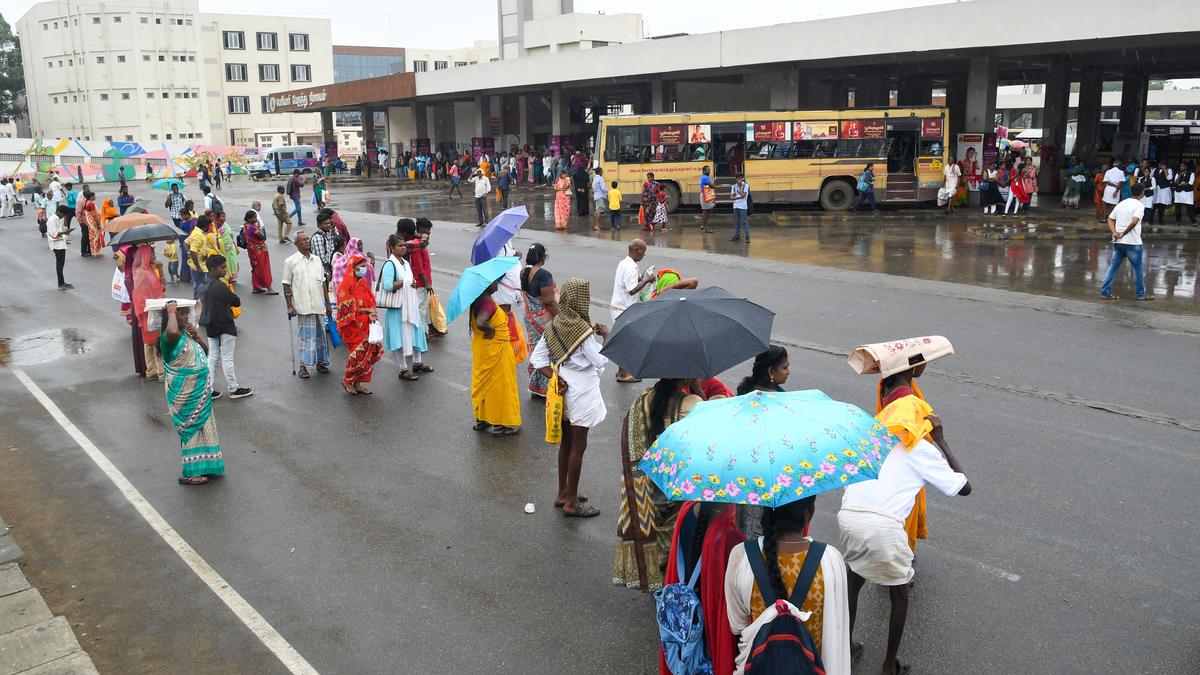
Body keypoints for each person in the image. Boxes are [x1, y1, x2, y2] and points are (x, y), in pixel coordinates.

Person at [841, 370, 971, 675]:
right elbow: (963, 487)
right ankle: (888, 666)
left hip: (849, 517)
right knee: (898, 592)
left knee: (854, 578)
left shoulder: (870, 440)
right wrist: (941, 440)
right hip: (883, 526)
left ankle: (844, 647)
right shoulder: (919, 447)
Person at [725, 498, 852, 675]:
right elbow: (838, 628)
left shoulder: (741, 556)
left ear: (766, 512)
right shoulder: (831, 560)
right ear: (808, 514)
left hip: (759, 666)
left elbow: (737, 624)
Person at [615, 377, 704, 587]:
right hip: (678, 492)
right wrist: (697, 388)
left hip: (649, 492)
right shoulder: (693, 404)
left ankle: (657, 578)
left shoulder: (643, 401)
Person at [531, 278, 608, 517]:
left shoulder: (554, 325)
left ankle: (563, 491)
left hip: (562, 387)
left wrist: (556, 376)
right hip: (582, 390)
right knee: (578, 446)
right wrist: (606, 336)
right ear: (581, 300)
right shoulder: (583, 332)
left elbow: (537, 359)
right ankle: (572, 503)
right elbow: (600, 361)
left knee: (566, 443)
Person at [160, 300, 224, 486]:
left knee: (205, 427)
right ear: (170, 317)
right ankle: (190, 473)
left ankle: (207, 465)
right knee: (192, 430)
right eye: (181, 313)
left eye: (185, 312)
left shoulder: (186, 333)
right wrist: (171, 309)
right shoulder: (168, 338)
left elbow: (205, 352)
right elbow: (172, 331)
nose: (186, 316)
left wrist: (198, 338)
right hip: (186, 393)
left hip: (200, 391)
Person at [469, 279, 522, 435]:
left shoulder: (478, 299)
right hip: (496, 349)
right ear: (486, 285)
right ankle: (502, 424)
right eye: (494, 282)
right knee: (501, 386)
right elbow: (480, 322)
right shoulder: (487, 303)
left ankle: (483, 419)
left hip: (483, 349)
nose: (497, 284)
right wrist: (489, 328)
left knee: (484, 384)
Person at [379, 233, 431, 381]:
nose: (403, 248)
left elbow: (410, 280)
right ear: (392, 247)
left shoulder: (405, 263)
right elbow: (388, 285)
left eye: (404, 246)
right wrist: (405, 283)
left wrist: (412, 283)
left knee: (416, 332)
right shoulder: (390, 264)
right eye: (400, 246)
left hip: (410, 305)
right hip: (398, 308)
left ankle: (417, 362)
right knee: (399, 339)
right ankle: (403, 369)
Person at [200, 255, 252, 400]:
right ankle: (233, 388)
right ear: (213, 269)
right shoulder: (219, 286)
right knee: (227, 357)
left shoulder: (204, 285)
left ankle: (208, 390)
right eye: (222, 267)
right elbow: (236, 301)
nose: (225, 270)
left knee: (212, 357)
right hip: (224, 324)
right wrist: (230, 289)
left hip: (210, 325)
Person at [282, 230, 332, 379]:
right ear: (296, 243)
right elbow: (286, 285)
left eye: (308, 239)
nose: (307, 241)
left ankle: (321, 363)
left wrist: (328, 303)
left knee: (321, 335)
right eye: (303, 240)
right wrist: (289, 306)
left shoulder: (317, 260)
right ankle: (303, 366)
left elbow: (323, 283)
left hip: (318, 304)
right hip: (303, 306)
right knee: (305, 337)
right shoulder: (290, 262)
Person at [336, 253, 383, 395]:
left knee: (367, 356)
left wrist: (372, 312)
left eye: (365, 266)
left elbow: (371, 300)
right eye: (361, 266)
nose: (364, 269)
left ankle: (357, 383)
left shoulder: (362, 283)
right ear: (353, 267)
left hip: (367, 324)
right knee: (357, 355)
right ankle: (347, 380)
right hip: (354, 326)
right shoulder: (346, 285)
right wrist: (367, 310)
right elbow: (347, 309)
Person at [609, 239, 655, 382]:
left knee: (625, 340)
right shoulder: (630, 267)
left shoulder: (624, 263)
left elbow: (631, 283)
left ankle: (621, 371)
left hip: (619, 307)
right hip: (623, 308)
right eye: (643, 252)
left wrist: (642, 277)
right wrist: (646, 281)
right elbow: (632, 290)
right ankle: (623, 374)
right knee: (626, 342)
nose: (644, 255)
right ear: (637, 250)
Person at [1100, 183, 1152, 301]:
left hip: (1118, 242)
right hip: (1133, 243)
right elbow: (1134, 222)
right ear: (1142, 193)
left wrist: (1114, 232)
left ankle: (1104, 292)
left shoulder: (1122, 203)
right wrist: (1123, 232)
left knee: (1113, 267)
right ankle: (1140, 294)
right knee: (1137, 268)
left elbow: (1110, 218)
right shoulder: (1139, 205)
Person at [520, 243, 558, 397]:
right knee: (548, 351)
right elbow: (549, 301)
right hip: (544, 319)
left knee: (536, 350)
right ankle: (547, 387)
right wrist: (561, 317)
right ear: (542, 258)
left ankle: (536, 387)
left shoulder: (524, 272)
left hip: (530, 318)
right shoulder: (544, 275)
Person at [131, 245, 166, 381]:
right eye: (152, 254)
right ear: (146, 256)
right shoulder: (145, 273)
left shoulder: (142, 271)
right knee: (157, 341)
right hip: (152, 310)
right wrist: (160, 271)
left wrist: (160, 271)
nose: (154, 256)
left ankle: (151, 371)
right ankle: (161, 373)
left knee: (148, 342)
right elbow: (160, 289)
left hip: (145, 310)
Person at [240, 210, 277, 294]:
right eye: (254, 217)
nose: (256, 219)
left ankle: (256, 287)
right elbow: (263, 237)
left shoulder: (245, 226)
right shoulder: (253, 227)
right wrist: (260, 229)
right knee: (264, 269)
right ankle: (269, 288)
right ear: (249, 219)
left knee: (255, 268)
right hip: (259, 251)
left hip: (251, 251)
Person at [185, 214, 216, 299]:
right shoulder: (199, 235)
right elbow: (193, 250)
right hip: (199, 266)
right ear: (206, 225)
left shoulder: (196, 231)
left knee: (199, 286)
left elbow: (186, 242)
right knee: (200, 287)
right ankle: (198, 305)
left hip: (198, 263)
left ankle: (198, 304)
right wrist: (198, 267)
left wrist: (189, 254)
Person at [46, 204, 74, 290]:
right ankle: (61, 283)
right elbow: (53, 234)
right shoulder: (52, 220)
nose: (63, 217)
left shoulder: (58, 219)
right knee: (60, 264)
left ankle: (62, 282)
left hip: (61, 243)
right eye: (63, 215)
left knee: (61, 264)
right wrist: (64, 232)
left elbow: (62, 228)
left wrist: (65, 229)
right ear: (58, 212)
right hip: (57, 244)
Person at [212, 210, 238, 284]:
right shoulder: (216, 226)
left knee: (233, 262)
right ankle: (227, 278)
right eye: (222, 216)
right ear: (217, 218)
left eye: (224, 216)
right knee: (226, 263)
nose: (224, 218)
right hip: (224, 248)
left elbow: (230, 235)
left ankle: (233, 277)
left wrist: (234, 245)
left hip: (230, 247)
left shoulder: (226, 224)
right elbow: (216, 238)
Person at [310, 211, 338, 278]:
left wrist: (333, 228)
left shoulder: (328, 233)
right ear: (319, 225)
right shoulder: (318, 237)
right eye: (325, 224)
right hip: (321, 271)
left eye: (329, 223)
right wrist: (329, 270)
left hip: (328, 269)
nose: (328, 225)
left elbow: (335, 244)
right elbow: (321, 259)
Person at [1174, 161, 1196, 226]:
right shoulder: (1178, 174)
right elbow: (1175, 183)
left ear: (1186, 167)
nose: (1181, 167)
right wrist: (1180, 176)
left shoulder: (1191, 174)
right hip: (1178, 193)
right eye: (1181, 166)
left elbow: (1190, 183)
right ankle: (1177, 222)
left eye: (1183, 166)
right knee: (1177, 208)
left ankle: (1194, 222)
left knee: (1189, 208)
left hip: (1188, 193)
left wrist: (1180, 184)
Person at [82, 190, 104, 255]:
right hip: (93, 223)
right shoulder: (91, 204)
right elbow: (94, 215)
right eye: (94, 196)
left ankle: (94, 251)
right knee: (96, 237)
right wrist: (98, 224)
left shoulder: (87, 202)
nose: (95, 197)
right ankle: (96, 252)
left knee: (92, 237)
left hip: (90, 222)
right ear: (91, 197)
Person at [730, 174, 750, 243]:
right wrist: (739, 196)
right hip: (735, 206)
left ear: (743, 178)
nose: (739, 180)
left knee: (745, 222)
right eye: (738, 179)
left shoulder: (746, 185)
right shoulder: (733, 186)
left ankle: (747, 237)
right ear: (736, 179)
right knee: (737, 222)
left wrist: (740, 189)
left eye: (741, 178)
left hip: (743, 206)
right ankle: (737, 235)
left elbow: (743, 196)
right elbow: (731, 197)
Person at [699, 165, 716, 233]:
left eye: (709, 170)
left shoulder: (704, 177)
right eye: (708, 170)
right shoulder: (705, 177)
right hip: (706, 195)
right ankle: (704, 226)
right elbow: (713, 186)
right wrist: (712, 184)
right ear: (704, 171)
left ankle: (704, 226)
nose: (709, 171)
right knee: (706, 211)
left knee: (707, 211)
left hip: (707, 195)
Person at [591, 166, 608, 232]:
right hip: (600, 196)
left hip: (596, 196)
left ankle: (598, 224)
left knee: (599, 210)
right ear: (600, 172)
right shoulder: (600, 178)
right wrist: (608, 191)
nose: (602, 173)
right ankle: (596, 225)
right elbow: (603, 188)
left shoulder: (595, 178)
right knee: (599, 210)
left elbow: (593, 188)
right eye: (602, 171)